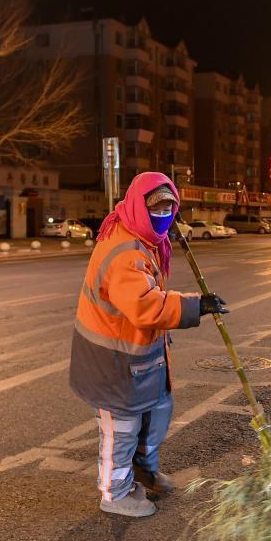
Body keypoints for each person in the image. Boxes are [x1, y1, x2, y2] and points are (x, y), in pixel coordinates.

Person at [69, 172, 228, 517]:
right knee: (122, 428)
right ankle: (115, 493)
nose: (163, 215)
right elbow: (144, 305)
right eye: (156, 208)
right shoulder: (125, 249)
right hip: (112, 361)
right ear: (139, 206)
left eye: (170, 208)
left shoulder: (144, 238)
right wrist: (194, 306)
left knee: (157, 412)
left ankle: (143, 470)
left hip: (139, 357)